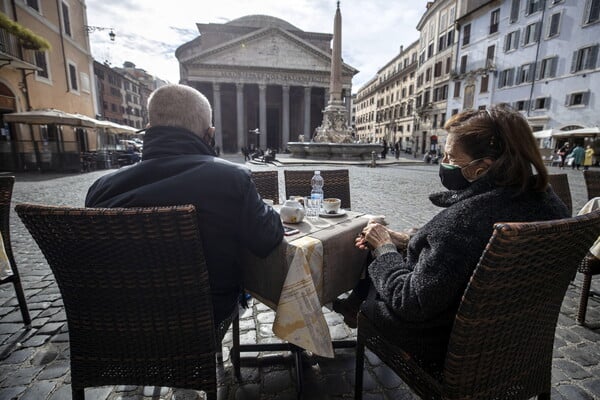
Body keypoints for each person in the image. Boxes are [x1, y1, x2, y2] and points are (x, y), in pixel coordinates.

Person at [333, 104, 569, 370]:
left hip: (449, 345)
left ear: (481, 168)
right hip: (518, 339)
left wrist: (385, 248)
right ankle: (354, 304)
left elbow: (409, 301)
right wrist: (406, 240)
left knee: (374, 267)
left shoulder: (464, 221)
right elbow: (463, 254)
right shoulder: (551, 203)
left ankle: (355, 308)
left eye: (450, 158)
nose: (444, 164)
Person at [85, 84, 284, 327]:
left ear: (149, 130)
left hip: (122, 325)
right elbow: (266, 239)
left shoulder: (100, 189)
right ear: (209, 134)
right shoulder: (231, 179)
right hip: (202, 322)